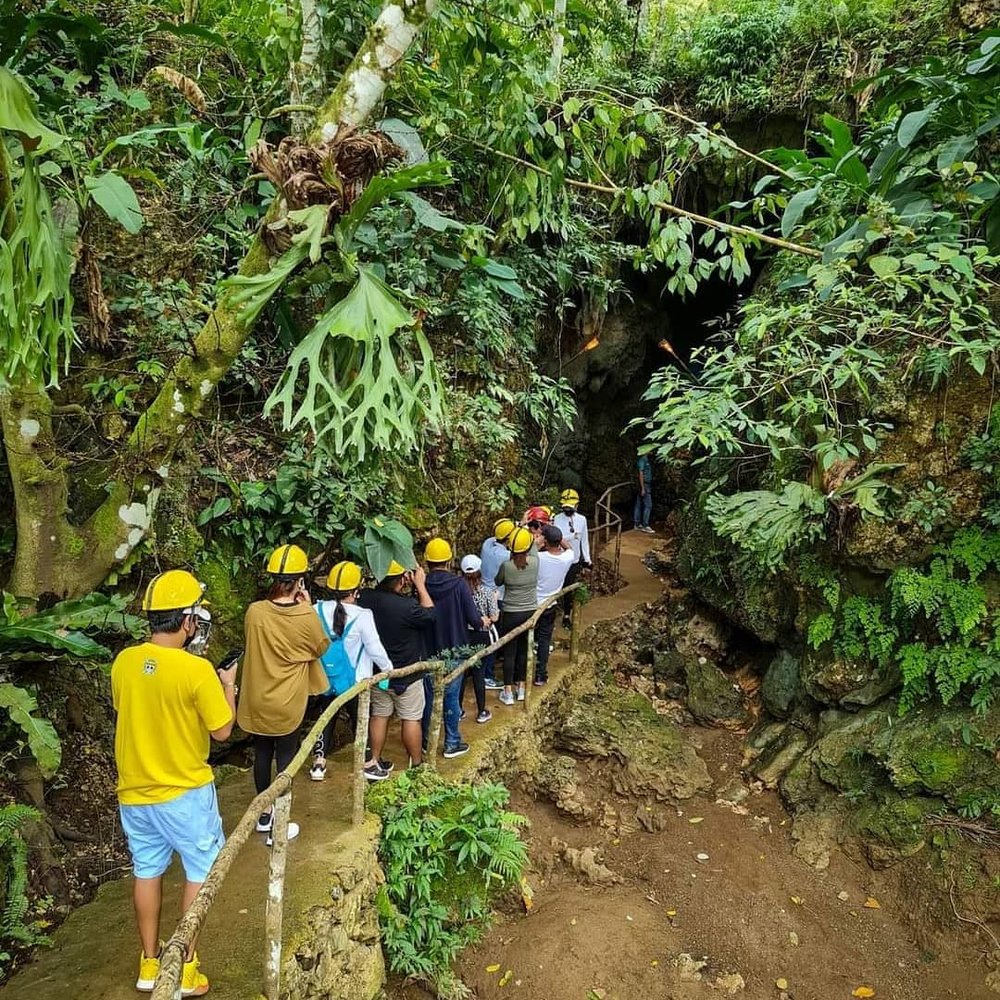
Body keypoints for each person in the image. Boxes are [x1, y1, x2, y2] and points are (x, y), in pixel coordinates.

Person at [112, 570, 236, 996]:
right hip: (184, 792)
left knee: (147, 870)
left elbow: (129, 704)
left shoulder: (124, 662)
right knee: (200, 872)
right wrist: (229, 687)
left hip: (134, 793)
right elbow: (222, 732)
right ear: (187, 621)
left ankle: (149, 964)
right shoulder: (197, 669)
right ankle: (186, 968)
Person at [238, 544, 329, 845]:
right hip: (288, 699)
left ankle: (264, 815)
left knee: (262, 753)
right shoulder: (304, 616)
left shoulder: (254, 612)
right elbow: (320, 646)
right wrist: (307, 605)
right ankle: (280, 820)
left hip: (258, 696)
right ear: (300, 581)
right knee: (286, 756)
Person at [311, 561, 395, 783]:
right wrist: (388, 669)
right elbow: (375, 648)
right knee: (361, 720)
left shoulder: (316, 609)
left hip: (325, 677)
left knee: (325, 718)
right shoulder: (362, 615)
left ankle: (318, 764)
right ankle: (368, 763)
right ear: (356, 590)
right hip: (355, 681)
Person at [358, 560, 435, 768]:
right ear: (403, 579)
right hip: (407, 673)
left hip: (380, 672)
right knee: (411, 718)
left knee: (380, 715)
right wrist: (420, 585)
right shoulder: (407, 606)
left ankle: (374, 759)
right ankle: (417, 763)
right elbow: (430, 615)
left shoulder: (366, 598)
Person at [424, 537, 488, 759]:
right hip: (455, 648)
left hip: (429, 650)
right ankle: (451, 742)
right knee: (451, 698)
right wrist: (483, 622)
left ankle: (425, 741)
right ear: (449, 561)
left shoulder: (421, 584)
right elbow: (473, 616)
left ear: (427, 562)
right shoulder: (459, 584)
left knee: (429, 698)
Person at [494, 527, 539, 705]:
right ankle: (521, 688)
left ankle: (508, 692)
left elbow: (498, 581)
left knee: (510, 652)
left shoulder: (507, 566)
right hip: (530, 612)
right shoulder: (535, 562)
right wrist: (527, 529)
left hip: (511, 612)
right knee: (523, 650)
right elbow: (532, 546)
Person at [534, 524, 576, 685]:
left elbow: (527, 551)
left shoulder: (539, 557)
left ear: (545, 540)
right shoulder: (567, 558)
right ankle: (540, 675)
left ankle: (520, 677)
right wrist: (558, 539)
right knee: (544, 640)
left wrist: (539, 542)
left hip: (532, 604)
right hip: (550, 604)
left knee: (525, 638)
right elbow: (569, 547)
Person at [460, 554, 498, 724]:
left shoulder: (459, 592)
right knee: (478, 673)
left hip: (463, 634)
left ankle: (459, 710)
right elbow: (495, 617)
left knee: (461, 672)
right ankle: (481, 710)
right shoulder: (486, 592)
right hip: (481, 634)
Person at [479, 518, 515, 689]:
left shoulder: (487, 545)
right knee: (494, 638)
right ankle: (487, 675)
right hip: (495, 598)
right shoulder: (505, 556)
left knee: (486, 634)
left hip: (481, 594)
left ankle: (485, 668)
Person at [553, 488, 591, 630]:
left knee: (569, 587)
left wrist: (587, 559)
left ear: (576, 505)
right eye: (565, 507)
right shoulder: (556, 519)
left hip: (574, 561)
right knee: (557, 586)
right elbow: (555, 539)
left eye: (570, 506)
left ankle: (567, 615)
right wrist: (571, 537)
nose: (568, 509)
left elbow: (584, 541)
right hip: (559, 559)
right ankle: (554, 610)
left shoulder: (581, 520)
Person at [634, 450, 654, 532]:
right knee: (648, 505)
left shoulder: (645, 459)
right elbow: (641, 473)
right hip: (644, 485)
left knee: (639, 504)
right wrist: (642, 488)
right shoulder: (643, 459)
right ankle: (645, 525)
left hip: (645, 484)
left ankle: (637, 524)